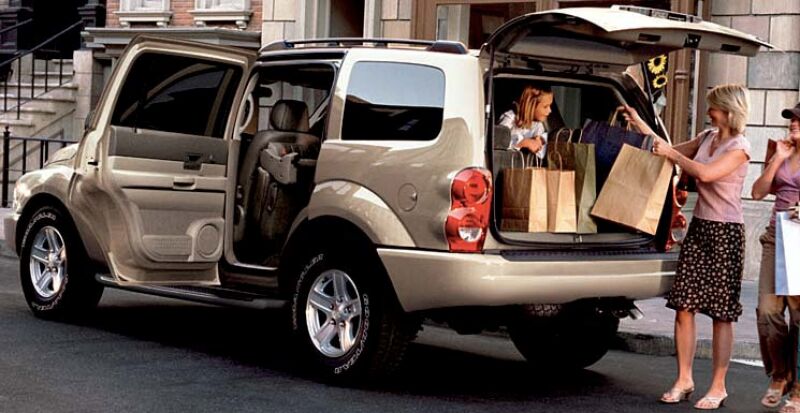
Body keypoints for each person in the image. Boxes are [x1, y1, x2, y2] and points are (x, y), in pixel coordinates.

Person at [620, 84, 751, 410]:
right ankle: (684, 379)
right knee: (684, 306)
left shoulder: (740, 147)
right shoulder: (707, 137)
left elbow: (705, 174)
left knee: (722, 314)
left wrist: (672, 155)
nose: (708, 112)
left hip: (726, 233)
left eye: (713, 107)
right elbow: (663, 148)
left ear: (729, 111)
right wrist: (638, 121)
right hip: (700, 229)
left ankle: (718, 386)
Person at [751, 102, 800, 413]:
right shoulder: (779, 151)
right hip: (776, 236)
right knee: (768, 313)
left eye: (799, 120)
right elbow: (757, 192)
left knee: (798, 317)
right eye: (792, 119)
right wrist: (777, 159)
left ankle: (798, 389)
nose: (793, 123)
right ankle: (780, 374)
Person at [497, 85, 552, 159]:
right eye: (545, 106)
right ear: (531, 106)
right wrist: (523, 142)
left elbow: (540, 154)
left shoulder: (539, 125)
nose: (550, 110)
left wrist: (540, 141)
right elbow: (498, 141)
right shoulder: (510, 117)